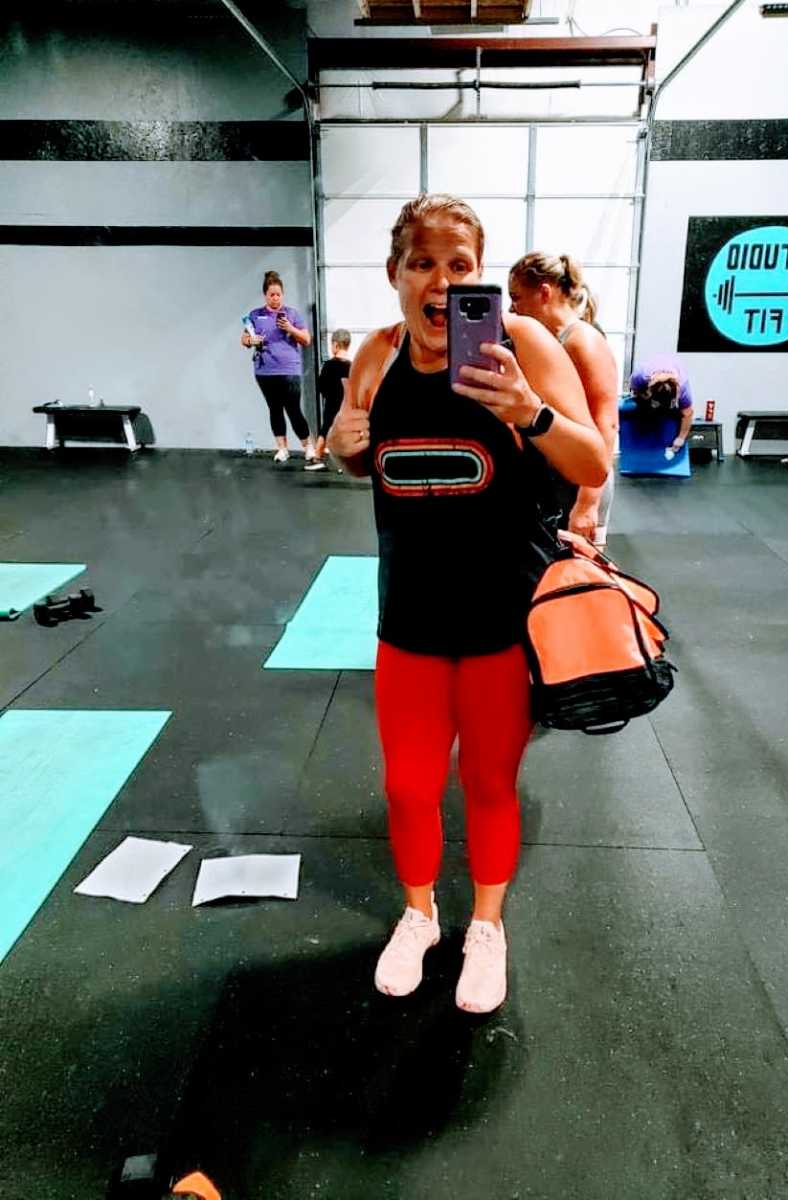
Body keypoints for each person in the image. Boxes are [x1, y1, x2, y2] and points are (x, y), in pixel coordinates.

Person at [327, 194, 608, 1014]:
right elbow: (364, 462)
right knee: (410, 787)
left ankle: (487, 926)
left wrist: (531, 411)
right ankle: (419, 914)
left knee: (489, 783)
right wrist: (342, 450)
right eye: (423, 263)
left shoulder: (520, 344)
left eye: (459, 266)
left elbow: (589, 459)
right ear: (395, 274)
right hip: (408, 619)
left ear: (478, 274)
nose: (441, 282)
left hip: (499, 621)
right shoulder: (374, 359)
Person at [508, 252, 619, 549]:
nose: (512, 308)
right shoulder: (550, 344)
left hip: (581, 488)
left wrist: (586, 505)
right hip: (557, 482)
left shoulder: (582, 341)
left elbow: (606, 424)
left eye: (517, 297)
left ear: (544, 292)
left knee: (577, 584)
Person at [241, 270, 314, 465]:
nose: (275, 298)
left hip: (289, 370)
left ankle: (308, 446)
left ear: (283, 294)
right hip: (265, 370)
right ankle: (282, 448)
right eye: (271, 294)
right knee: (274, 409)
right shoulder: (255, 315)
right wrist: (251, 340)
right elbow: (244, 339)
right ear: (265, 295)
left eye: (278, 294)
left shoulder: (292, 314)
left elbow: (306, 339)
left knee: (293, 409)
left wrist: (290, 328)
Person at [628, 354, 694, 458]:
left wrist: (681, 438)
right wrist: (643, 396)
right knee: (644, 409)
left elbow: (688, 413)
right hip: (648, 387)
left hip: (672, 379)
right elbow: (634, 389)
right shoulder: (640, 376)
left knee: (670, 414)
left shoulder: (683, 386)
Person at [310, 329, 352, 470]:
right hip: (347, 405)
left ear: (334, 345)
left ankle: (317, 457)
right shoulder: (352, 366)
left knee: (325, 429)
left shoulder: (329, 365)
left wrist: (327, 394)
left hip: (332, 403)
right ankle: (345, 462)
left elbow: (321, 385)